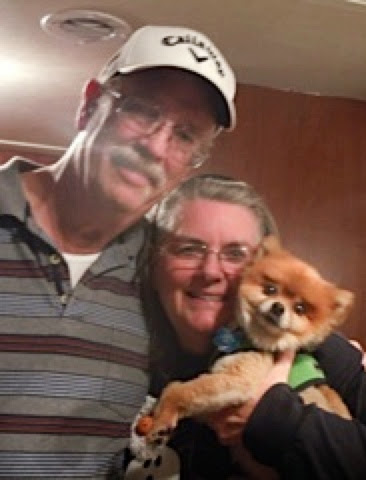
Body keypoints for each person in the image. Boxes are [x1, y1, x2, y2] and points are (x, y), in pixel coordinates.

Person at [0, 26, 237, 478]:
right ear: (90, 105)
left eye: (186, 135)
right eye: (143, 110)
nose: (155, 146)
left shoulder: (164, 273)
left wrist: (338, 369)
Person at [123, 174, 366, 479]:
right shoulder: (116, 346)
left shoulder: (320, 353)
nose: (210, 271)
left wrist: (282, 421)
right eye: (189, 249)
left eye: (236, 254)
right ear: (154, 261)